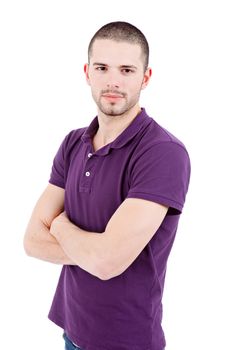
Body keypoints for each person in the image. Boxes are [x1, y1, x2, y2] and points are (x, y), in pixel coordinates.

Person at [24, 21, 191, 350]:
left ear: (145, 78)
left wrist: (59, 225)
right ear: (88, 73)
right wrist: (96, 252)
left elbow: (107, 263)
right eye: (102, 67)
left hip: (127, 340)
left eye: (127, 69)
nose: (113, 81)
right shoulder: (73, 143)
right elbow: (31, 241)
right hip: (72, 330)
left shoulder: (162, 152)